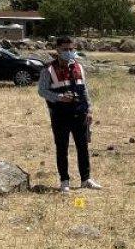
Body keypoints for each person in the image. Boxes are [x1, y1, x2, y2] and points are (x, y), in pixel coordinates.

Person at [38, 35, 99, 193]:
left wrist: (89, 110)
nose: (69, 52)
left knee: (83, 147)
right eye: (65, 49)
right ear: (57, 50)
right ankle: (64, 181)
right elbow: (42, 90)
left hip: (80, 113)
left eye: (71, 49)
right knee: (62, 148)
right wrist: (59, 98)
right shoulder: (48, 69)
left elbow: (84, 90)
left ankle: (86, 179)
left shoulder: (78, 67)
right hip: (60, 114)